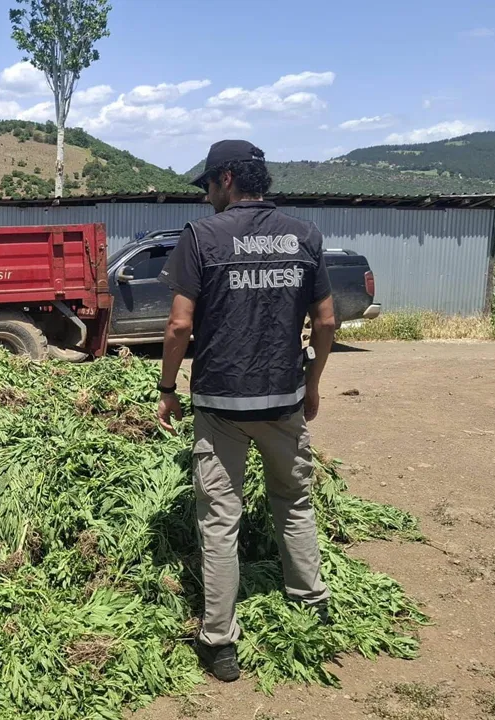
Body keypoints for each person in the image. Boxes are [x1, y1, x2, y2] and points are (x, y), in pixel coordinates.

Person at [155, 140, 337, 682]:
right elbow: (326, 322)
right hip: (283, 399)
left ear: (227, 179)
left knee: (219, 521)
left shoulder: (200, 236)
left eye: (209, 183)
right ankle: (311, 601)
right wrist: (313, 383)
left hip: (220, 404)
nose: (208, 194)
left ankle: (219, 642)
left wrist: (167, 388)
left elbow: (179, 325)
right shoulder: (304, 234)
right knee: (293, 501)